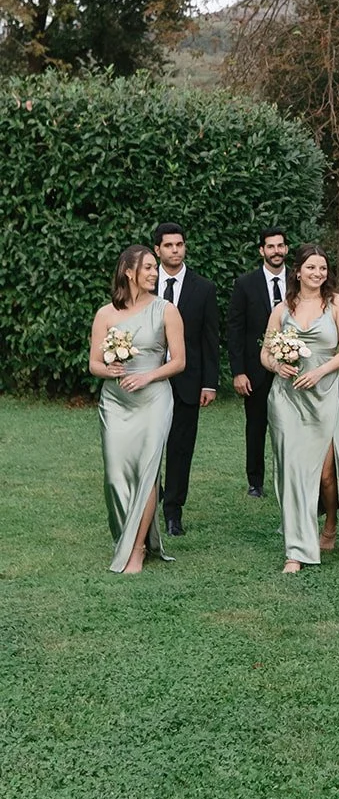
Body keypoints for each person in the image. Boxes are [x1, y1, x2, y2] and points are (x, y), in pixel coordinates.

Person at [89, 245, 187, 574]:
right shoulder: (105, 314)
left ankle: (138, 548)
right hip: (115, 402)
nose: (154, 273)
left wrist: (148, 376)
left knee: (147, 472)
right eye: (147, 267)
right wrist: (110, 370)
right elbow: (94, 364)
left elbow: (179, 361)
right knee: (115, 475)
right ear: (128, 272)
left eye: (154, 268)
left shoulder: (166, 310)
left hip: (154, 398)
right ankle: (125, 537)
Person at [262, 245, 339, 574]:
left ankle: (330, 524)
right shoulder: (281, 309)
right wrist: (276, 365)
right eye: (311, 267)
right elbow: (265, 352)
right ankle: (296, 550)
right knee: (292, 470)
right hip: (287, 399)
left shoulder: (337, 304)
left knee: (326, 475)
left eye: (323, 268)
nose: (318, 273)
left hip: (325, 394)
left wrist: (320, 372)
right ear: (298, 272)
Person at [151, 223, 219, 537]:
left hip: (188, 381)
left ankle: (173, 512)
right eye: (168, 245)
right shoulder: (144, 284)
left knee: (180, 448)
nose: (175, 250)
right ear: (157, 250)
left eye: (179, 244)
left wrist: (209, 382)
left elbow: (209, 339)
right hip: (149, 379)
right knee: (149, 443)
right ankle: (150, 496)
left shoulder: (203, 288)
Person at [227, 227, 290, 498]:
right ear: (262, 250)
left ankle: (290, 476)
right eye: (270, 246)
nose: (276, 251)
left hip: (292, 367)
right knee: (256, 426)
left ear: (286, 249)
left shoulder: (299, 281)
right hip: (255, 369)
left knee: (291, 425)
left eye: (280, 246)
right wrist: (238, 371)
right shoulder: (245, 284)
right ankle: (255, 482)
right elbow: (235, 329)